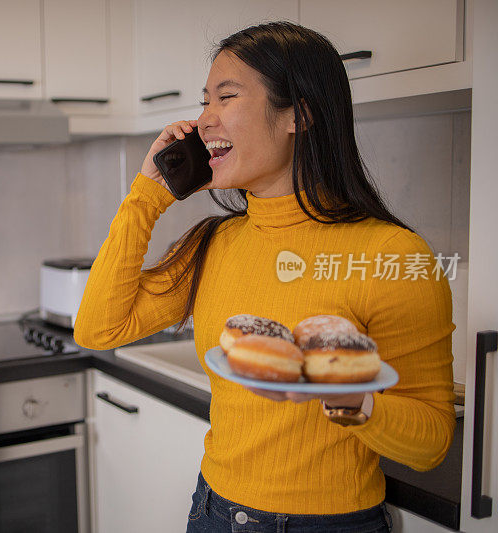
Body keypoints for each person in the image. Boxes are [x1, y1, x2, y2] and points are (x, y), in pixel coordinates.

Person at [74, 21, 455, 532]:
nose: (203, 121)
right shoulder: (214, 243)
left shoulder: (390, 255)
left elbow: (431, 443)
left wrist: (351, 399)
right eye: (204, 101)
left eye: (225, 98)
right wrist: (148, 194)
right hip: (213, 511)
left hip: (328, 524)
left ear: (299, 114)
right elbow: (98, 328)